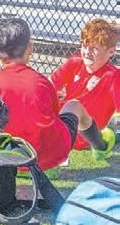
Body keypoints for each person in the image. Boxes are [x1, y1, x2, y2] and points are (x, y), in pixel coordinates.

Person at [0, 18, 115, 170]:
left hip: (7, 155)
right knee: (74, 106)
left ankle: (25, 164)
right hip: (46, 157)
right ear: (30, 47)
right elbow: (52, 116)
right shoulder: (40, 82)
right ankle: (100, 147)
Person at [50, 18, 119, 150]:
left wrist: (111, 132)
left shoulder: (113, 76)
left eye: (94, 48)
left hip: (83, 136)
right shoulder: (74, 62)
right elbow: (49, 85)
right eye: (84, 45)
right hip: (61, 121)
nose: (87, 52)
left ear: (111, 51)